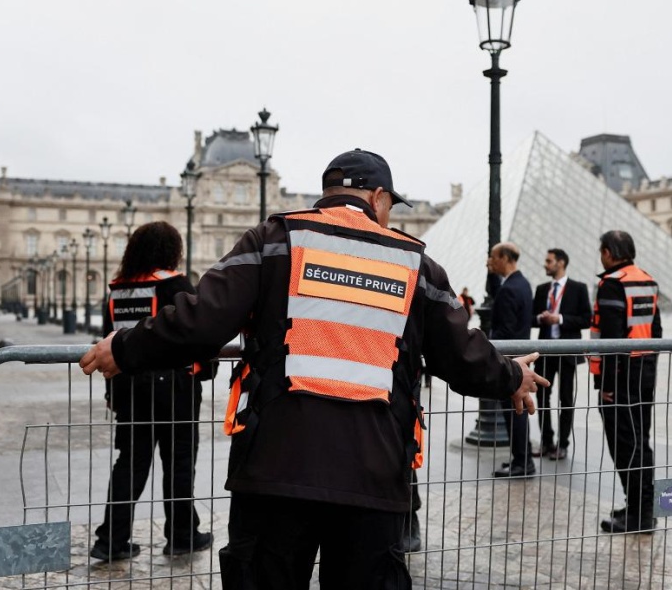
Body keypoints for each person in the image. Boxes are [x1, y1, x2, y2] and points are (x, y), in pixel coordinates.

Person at [79, 148, 547, 589]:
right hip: (374, 473)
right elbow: (461, 355)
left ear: (326, 194)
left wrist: (123, 349)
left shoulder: (274, 239)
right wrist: (512, 378)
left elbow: (200, 320)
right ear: (378, 198)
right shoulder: (414, 263)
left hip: (276, 467)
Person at [89, 221, 212, 561]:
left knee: (130, 463)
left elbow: (107, 341)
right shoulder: (174, 284)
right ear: (171, 250)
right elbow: (196, 331)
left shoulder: (118, 289)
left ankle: (111, 539)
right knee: (180, 463)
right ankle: (182, 535)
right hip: (173, 387)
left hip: (129, 386)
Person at [589, 230, 661, 534]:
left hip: (619, 378)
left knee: (624, 444)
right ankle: (641, 506)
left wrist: (606, 385)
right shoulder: (646, 279)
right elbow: (656, 331)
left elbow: (612, 341)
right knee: (640, 441)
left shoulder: (612, 284)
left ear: (608, 252)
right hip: (644, 370)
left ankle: (638, 515)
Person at [531, 248, 591, 461]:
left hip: (566, 352)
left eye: (549, 261)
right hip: (545, 352)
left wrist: (561, 319)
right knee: (542, 397)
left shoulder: (579, 288)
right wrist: (542, 318)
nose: (545, 264)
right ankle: (547, 442)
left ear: (561, 263)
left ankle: (563, 445)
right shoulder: (541, 289)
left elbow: (586, 319)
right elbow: (531, 318)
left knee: (566, 399)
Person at [487, 242, 535, 479]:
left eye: (493, 257)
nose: (490, 261)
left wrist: (494, 354)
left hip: (510, 362)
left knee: (514, 412)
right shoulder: (523, 284)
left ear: (505, 258)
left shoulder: (509, 289)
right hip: (521, 359)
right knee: (518, 411)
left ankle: (522, 462)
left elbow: (503, 330)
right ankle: (521, 459)